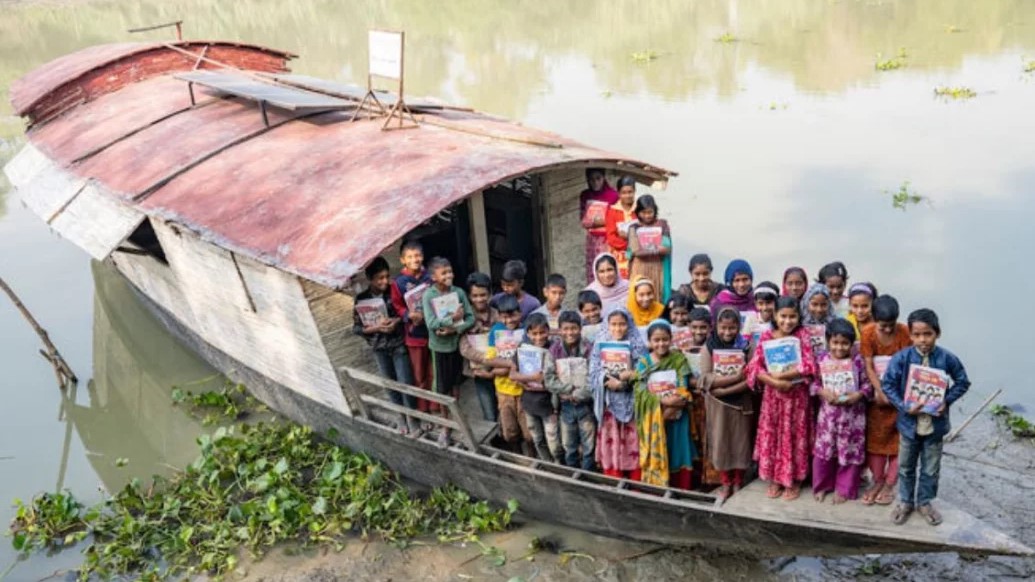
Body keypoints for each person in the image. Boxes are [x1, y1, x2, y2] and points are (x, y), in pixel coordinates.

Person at [883, 309, 970, 526]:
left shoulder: (946, 358)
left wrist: (946, 400)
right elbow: (888, 384)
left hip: (935, 426)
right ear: (910, 335)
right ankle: (905, 502)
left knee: (931, 467)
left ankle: (924, 502)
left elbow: (962, 381)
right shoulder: (902, 358)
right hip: (909, 423)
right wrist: (904, 406)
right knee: (905, 466)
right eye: (917, 334)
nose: (923, 340)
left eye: (928, 334)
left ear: (937, 333)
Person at [748, 296, 817, 501]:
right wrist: (774, 382)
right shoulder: (768, 336)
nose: (788, 321)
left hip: (797, 400)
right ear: (775, 316)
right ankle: (776, 478)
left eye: (792, 316)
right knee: (775, 435)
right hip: (773, 399)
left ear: (799, 316)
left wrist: (784, 376)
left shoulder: (802, 335)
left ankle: (795, 479)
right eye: (783, 316)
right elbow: (754, 367)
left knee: (795, 436)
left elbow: (810, 365)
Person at [353, 256, 417, 435]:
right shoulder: (361, 299)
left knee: (405, 383)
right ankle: (400, 416)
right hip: (379, 347)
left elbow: (404, 314)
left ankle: (412, 418)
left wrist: (395, 322)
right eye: (380, 278)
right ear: (370, 279)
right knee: (389, 384)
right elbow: (357, 328)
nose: (384, 281)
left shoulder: (393, 291)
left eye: (386, 276)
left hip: (398, 343)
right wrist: (376, 327)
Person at [811, 319, 872, 503]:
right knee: (824, 451)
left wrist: (858, 395)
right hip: (828, 417)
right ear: (828, 341)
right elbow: (812, 383)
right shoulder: (821, 359)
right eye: (835, 342)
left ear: (851, 343)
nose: (839, 347)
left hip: (853, 417)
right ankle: (822, 486)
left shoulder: (858, 361)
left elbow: (868, 385)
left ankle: (844, 489)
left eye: (845, 343)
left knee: (850, 451)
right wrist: (822, 392)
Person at [859, 295, 911, 506]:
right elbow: (868, 365)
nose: (887, 330)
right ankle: (877, 480)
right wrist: (880, 392)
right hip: (877, 399)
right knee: (875, 442)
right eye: (883, 326)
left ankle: (890, 483)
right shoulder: (868, 333)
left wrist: (896, 395)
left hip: (900, 396)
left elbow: (910, 365)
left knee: (899, 442)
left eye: (891, 326)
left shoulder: (905, 333)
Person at [698, 307, 753, 497]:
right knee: (721, 441)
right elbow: (705, 378)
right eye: (723, 328)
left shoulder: (746, 346)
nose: (727, 332)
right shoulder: (709, 346)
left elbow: (751, 378)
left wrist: (723, 389)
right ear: (716, 326)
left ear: (739, 326)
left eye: (732, 328)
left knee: (740, 443)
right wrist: (733, 378)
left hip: (741, 403)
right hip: (718, 405)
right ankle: (725, 482)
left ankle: (738, 480)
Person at [634, 320, 696, 489]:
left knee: (678, 451)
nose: (661, 344)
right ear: (649, 341)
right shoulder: (644, 363)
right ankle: (658, 490)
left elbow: (683, 387)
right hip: (654, 420)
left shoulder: (678, 359)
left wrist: (671, 407)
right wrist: (663, 403)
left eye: (665, 339)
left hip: (678, 416)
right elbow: (640, 391)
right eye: (656, 340)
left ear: (671, 339)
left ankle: (682, 490)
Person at [422, 257, 476, 448]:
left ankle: (456, 417)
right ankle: (446, 426)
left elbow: (470, 319)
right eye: (444, 273)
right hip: (439, 348)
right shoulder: (429, 296)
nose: (449, 275)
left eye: (450, 271)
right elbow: (430, 323)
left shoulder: (459, 292)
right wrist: (451, 319)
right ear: (433, 276)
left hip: (455, 344)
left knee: (456, 383)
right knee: (442, 386)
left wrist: (455, 329)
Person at [590, 307, 648, 480]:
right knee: (612, 442)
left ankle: (635, 480)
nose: (617, 329)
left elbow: (645, 373)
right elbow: (593, 373)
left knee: (633, 443)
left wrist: (624, 382)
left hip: (633, 405)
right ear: (607, 325)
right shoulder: (600, 343)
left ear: (628, 324)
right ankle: (614, 478)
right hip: (609, 405)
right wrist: (608, 380)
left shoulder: (637, 345)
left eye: (622, 324)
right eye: (613, 324)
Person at [389, 240, 435, 414]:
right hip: (414, 335)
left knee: (433, 372)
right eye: (410, 257)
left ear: (422, 257)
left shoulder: (430, 277)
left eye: (417, 255)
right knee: (419, 374)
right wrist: (408, 315)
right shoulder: (399, 283)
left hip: (432, 332)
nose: (415, 259)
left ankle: (435, 406)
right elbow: (397, 306)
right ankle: (423, 409)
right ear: (403, 260)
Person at [509, 313, 563, 463]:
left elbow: (557, 379)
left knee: (554, 443)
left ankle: (559, 467)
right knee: (538, 439)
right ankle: (547, 465)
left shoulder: (555, 349)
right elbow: (513, 374)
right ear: (528, 333)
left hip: (550, 406)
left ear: (548, 331)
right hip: (529, 404)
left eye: (542, 332)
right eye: (534, 333)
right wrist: (533, 378)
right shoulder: (523, 349)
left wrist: (533, 382)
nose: (539, 337)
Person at [547, 310, 596, 470]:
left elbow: (595, 376)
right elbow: (549, 379)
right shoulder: (554, 350)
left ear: (580, 328)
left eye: (574, 328)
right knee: (569, 444)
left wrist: (580, 394)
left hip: (585, 405)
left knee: (589, 444)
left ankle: (588, 477)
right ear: (560, 329)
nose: (570, 333)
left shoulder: (589, 348)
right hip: (565, 405)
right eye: (566, 329)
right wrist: (569, 389)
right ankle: (572, 475)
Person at [483, 295, 532, 454]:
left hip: (525, 390)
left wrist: (501, 368)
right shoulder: (496, 332)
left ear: (520, 313)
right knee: (510, 431)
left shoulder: (527, 330)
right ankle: (517, 456)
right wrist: (510, 364)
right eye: (503, 317)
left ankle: (532, 458)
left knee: (529, 432)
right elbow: (490, 361)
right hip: (504, 390)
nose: (508, 321)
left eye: (512, 316)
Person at [459, 272, 499, 422]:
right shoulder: (465, 317)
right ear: (469, 296)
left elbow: (504, 342)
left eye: (483, 295)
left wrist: (495, 365)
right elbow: (464, 348)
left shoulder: (497, 315)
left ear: (490, 294)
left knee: (503, 407)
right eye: (475, 296)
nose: (479, 299)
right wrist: (486, 360)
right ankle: (493, 442)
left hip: (498, 370)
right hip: (479, 372)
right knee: (489, 412)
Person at [626, 195, 672, 304]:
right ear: (638, 212)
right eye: (643, 212)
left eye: (650, 212)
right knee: (640, 297)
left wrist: (645, 248)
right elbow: (636, 251)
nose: (647, 216)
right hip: (639, 269)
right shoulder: (633, 227)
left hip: (658, 268)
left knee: (657, 296)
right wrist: (656, 247)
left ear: (655, 211)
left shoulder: (662, 224)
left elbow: (666, 248)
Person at [580, 168, 620, 282]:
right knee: (594, 270)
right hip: (592, 240)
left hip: (608, 239)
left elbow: (617, 220)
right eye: (591, 179)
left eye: (598, 178)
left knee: (607, 268)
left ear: (604, 177)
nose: (595, 182)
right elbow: (583, 221)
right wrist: (602, 221)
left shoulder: (613, 196)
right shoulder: (585, 195)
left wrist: (594, 222)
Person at [604, 176, 638, 278]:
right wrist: (631, 243)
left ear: (634, 191)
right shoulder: (612, 211)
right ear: (618, 193)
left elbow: (644, 233)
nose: (627, 195)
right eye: (624, 193)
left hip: (637, 256)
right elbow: (611, 238)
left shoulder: (639, 210)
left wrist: (627, 236)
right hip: (619, 258)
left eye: (630, 192)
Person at [800, 283, 833, 362]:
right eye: (814, 304)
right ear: (807, 303)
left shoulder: (834, 324)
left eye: (823, 305)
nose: (819, 309)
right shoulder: (799, 323)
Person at [532, 273, 567, 339]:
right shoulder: (535, 315)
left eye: (561, 293)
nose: (557, 297)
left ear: (565, 292)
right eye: (554, 292)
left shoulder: (568, 315)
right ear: (545, 292)